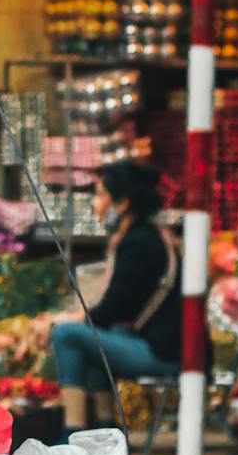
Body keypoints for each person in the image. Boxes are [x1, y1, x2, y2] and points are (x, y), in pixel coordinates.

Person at [48, 159, 180, 431]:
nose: (95, 205)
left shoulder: (138, 243)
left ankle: (72, 433)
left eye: (99, 195)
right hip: (160, 345)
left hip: (165, 353)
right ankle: (106, 428)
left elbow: (112, 310)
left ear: (121, 203)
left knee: (66, 334)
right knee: (102, 336)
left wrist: (69, 319)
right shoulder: (143, 236)